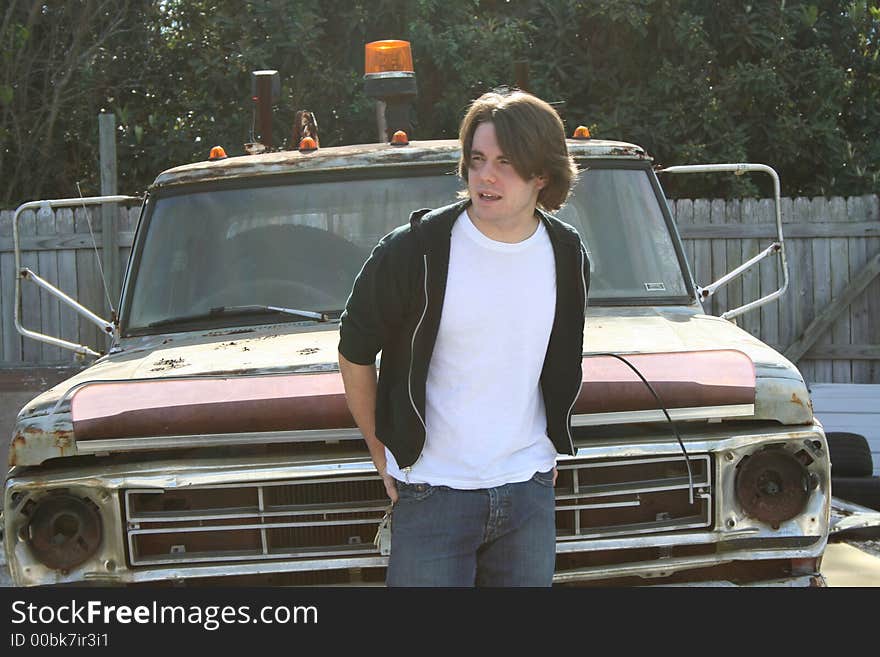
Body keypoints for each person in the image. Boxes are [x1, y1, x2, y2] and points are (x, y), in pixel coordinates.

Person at [337, 89, 590, 587]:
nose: (486, 176)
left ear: (543, 173)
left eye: (505, 162)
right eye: (477, 160)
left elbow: (558, 359)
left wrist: (544, 450)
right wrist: (378, 448)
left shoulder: (567, 254)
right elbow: (355, 349)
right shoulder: (416, 250)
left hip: (528, 491)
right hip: (433, 491)